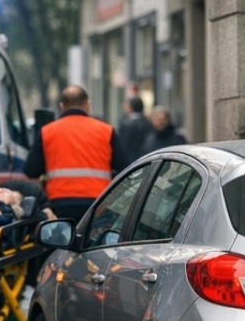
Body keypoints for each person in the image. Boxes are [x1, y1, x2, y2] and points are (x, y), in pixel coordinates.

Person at [23, 85, 130, 223]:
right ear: (87, 105)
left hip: (59, 203)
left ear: (62, 106)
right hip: (98, 202)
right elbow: (125, 167)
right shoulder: (106, 131)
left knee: (63, 241)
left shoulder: (47, 132)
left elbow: (31, 170)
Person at [116, 94, 152, 162]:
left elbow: (120, 146)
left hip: (129, 163)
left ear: (131, 107)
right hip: (146, 161)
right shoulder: (149, 124)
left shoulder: (124, 125)